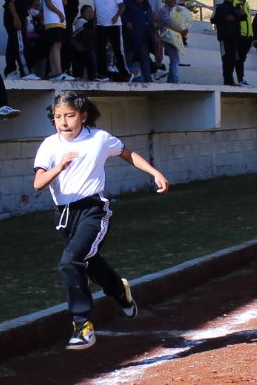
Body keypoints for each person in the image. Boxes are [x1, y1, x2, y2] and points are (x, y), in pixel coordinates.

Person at [32, 90, 170, 350]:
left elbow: (127, 153)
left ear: (83, 115)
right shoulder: (50, 145)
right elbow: (38, 183)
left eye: (70, 116)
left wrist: (155, 172)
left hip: (93, 209)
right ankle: (120, 291)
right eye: (58, 117)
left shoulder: (99, 139)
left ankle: (82, 324)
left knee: (70, 261)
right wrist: (59, 167)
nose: (63, 122)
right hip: (64, 215)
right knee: (89, 262)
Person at [37, 0, 70, 80]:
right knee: (56, 45)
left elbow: (65, 2)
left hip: (59, 21)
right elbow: (48, 2)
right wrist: (59, 13)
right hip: (53, 20)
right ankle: (58, 72)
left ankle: (54, 72)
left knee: (56, 46)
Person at [1, 0, 30, 77]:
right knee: (20, 44)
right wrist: (16, 17)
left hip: (21, 15)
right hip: (14, 16)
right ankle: (26, 72)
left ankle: (10, 70)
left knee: (13, 43)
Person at [121, 0, 156, 83]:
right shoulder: (127, 2)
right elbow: (121, 14)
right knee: (127, 59)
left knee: (145, 60)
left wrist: (153, 23)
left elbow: (149, 16)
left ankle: (148, 80)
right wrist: (127, 22)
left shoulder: (146, 3)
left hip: (144, 37)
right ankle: (124, 78)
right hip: (131, 37)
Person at [212, 0, 244, 86]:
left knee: (233, 59)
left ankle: (231, 80)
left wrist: (241, 12)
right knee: (226, 58)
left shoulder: (236, 8)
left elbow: (244, 18)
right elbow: (213, 19)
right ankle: (227, 80)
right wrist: (225, 18)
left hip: (235, 37)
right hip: (224, 37)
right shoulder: (219, 7)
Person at [160, 0, 188, 84]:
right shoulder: (163, 11)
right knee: (175, 59)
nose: (173, 1)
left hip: (174, 37)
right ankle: (174, 81)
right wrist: (181, 30)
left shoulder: (176, 10)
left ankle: (171, 80)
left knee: (175, 58)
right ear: (166, 0)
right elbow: (169, 23)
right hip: (166, 37)